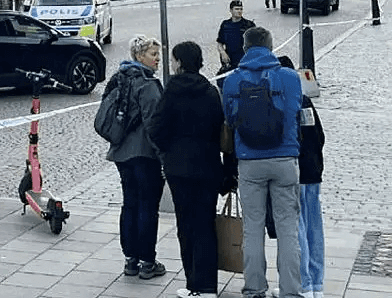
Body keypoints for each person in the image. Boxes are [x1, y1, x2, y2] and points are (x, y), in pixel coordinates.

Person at [222, 27, 303, 298]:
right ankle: (291, 290)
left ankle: (255, 288)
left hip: (249, 161)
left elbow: (229, 120)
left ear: (245, 48)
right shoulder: (290, 77)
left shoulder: (232, 81)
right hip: (285, 158)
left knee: (253, 228)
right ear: (271, 47)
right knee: (288, 227)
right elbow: (294, 112)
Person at [149, 42, 224, 297]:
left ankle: (194, 284)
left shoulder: (172, 91)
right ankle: (208, 285)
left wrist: (169, 150)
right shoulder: (210, 91)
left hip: (179, 168)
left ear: (180, 62)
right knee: (206, 223)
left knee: (186, 224)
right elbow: (219, 127)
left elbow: (156, 128)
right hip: (208, 165)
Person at [103, 35, 167, 280]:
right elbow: (154, 124)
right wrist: (163, 156)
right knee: (147, 206)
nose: (158, 59)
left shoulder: (119, 78)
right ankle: (147, 261)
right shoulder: (147, 84)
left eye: (158, 54)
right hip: (144, 153)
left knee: (130, 203)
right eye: (153, 54)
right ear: (140, 56)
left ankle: (130, 259)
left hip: (121, 152)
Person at [277, 56, 326, 298]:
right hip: (313, 170)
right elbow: (319, 135)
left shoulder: (284, 102)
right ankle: (317, 284)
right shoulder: (305, 100)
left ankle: (304, 284)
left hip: (296, 170)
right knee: (314, 228)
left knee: (297, 229)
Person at [216, 0, 255, 75]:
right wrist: (223, 53)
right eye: (236, 9)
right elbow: (219, 43)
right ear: (231, 10)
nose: (239, 11)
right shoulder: (225, 24)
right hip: (230, 61)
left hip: (245, 62)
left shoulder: (249, 25)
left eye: (241, 9)